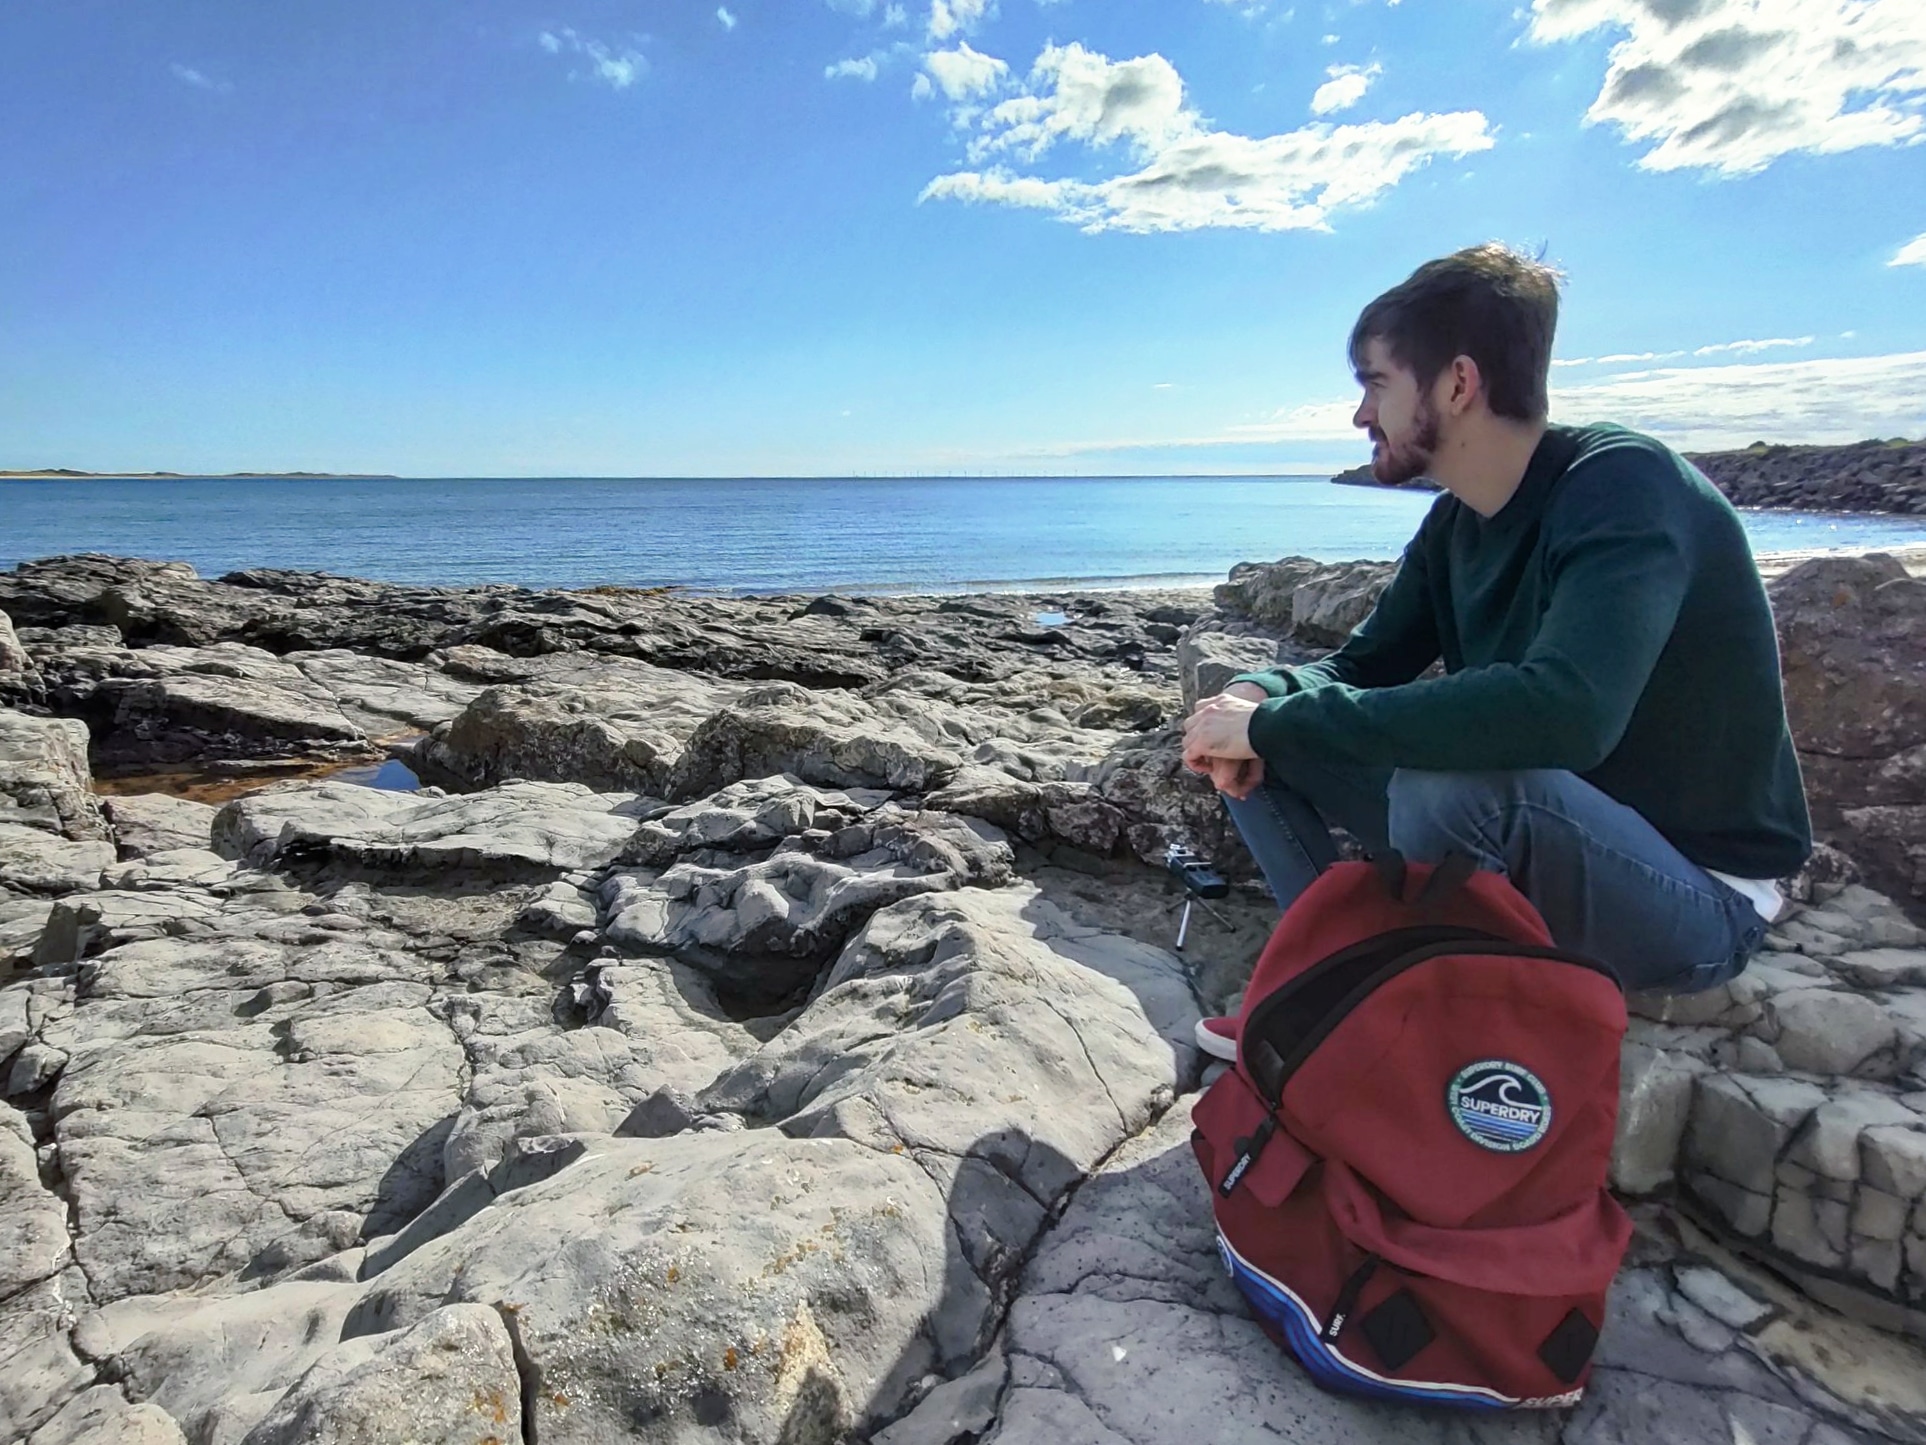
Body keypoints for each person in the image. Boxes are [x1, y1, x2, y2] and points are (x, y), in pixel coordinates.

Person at [1181, 243, 1810, 1057]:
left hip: (1696, 896)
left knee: (1450, 792)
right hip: (1554, 839)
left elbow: (1568, 711)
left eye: (1374, 384)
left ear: (1457, 384)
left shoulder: (1625, 487)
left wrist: (1277, 721)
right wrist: (1257, 699)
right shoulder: (1457, 522)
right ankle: (1326, 991)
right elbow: (1363, 665)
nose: (1360, 415)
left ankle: (1416, 1035)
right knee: (1256, 736)